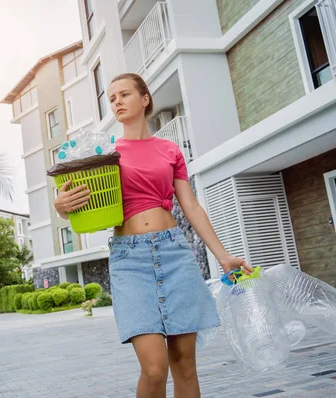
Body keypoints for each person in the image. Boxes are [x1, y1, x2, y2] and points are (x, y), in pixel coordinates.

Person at [54, 73, 252, 398]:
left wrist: (223, 256)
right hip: (129, 261)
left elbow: (190, 206)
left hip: (175, 255)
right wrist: (61, 206)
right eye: (112, 97)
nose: (116, 101)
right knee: (154, 369)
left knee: (185, 365)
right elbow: (76, 202)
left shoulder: (169, 150)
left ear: (145, 99)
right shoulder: (104, 152)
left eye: (124, 94)